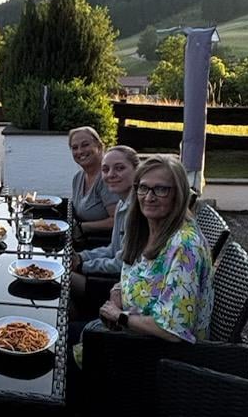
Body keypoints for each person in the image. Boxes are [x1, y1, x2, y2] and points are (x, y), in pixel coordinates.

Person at [96, 154, 213, 342]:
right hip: (128, 333)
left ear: (178, 193)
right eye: (143, 188)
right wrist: (117, 292)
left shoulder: (184, 246)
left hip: (157, 355)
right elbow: (141, 276)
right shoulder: (147, 228)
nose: (149, 197)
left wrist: (121, 317)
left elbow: (174, 329)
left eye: (161, 189)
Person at [70, 145, 139, 299]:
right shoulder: (123, 203)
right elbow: (113, 249)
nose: (111, 175)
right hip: (115, 276)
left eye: (119, 168)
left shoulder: (138, 211)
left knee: (61, 280)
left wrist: (82, 266)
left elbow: (122, 264)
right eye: (105, 170)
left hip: (124, 287)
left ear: (137, 170)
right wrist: (81, 257)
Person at [69, 127, 119, 239]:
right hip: (83, 241)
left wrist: (83, 228)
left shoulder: (108, 178)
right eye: (74, 147)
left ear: (99, 146)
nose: (80, 151)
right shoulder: (78, 178)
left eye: (85, 145)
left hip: (105, 245)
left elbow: (117, 220)